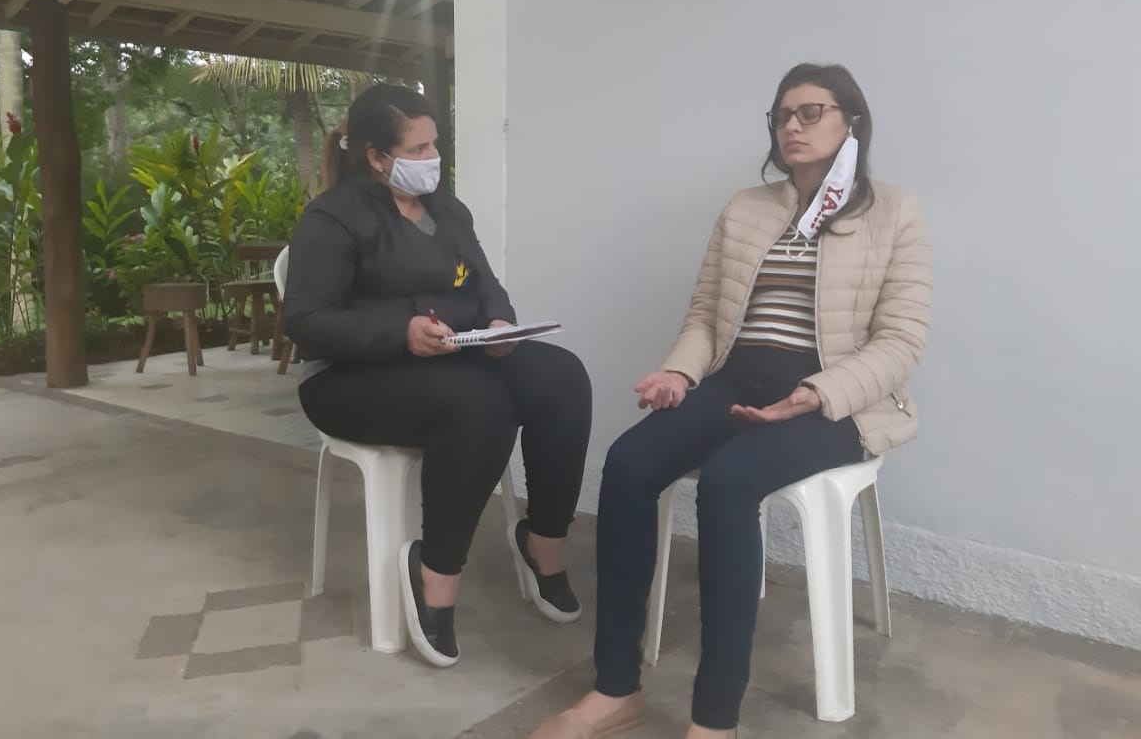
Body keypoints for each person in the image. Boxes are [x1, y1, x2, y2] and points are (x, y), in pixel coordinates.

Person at [531, 64, 932, 739]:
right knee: (627, 464)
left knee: (727, 481)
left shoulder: (894, 211)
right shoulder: (746, 208)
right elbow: (706, 318)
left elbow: (902, 340)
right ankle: (615, 688)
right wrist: (679, 373)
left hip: (836, 398)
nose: (792, 126)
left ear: (852, 122)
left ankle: (715, 720)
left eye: (811, 112)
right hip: (737, 377)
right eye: (782, 115)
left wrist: (817, 392)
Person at [282, 83, 592, 669]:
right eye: (418, 149)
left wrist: (499, 324)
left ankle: (543, 540)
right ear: (377, 157)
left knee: (562, 378)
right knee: (480, 403)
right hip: (348, 379)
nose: (433, 159)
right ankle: (435, 573)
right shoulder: (333, 218)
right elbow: (305, 322)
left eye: (435, 145)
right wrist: (400, 331)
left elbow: (485, 282)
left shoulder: (447, 210)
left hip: (448, 355)